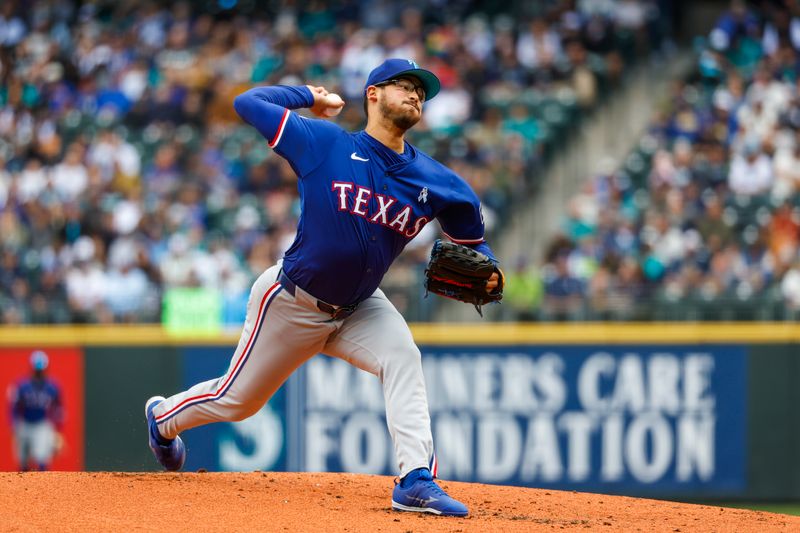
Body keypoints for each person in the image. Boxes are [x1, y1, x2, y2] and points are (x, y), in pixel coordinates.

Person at [144, 58, 502, 517]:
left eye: (421, 90)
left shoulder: (438, 182)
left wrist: (489, 266)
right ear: (373, 94)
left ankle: (415, 479)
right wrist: (309, 96)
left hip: (361, 306)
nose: (415, 94)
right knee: (236, 401)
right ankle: (163, 418)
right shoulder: (324, 142)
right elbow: (248, 102)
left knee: (403, 357)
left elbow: (474, 240)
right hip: (293, 301)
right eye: (404, 85)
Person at [10, 351, 64, 471]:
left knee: (41, 458)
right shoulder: (22, 385)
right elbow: (13, 407)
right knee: (23, 461)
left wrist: (58, 431)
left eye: (41, 369)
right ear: (32, 368)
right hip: (24, 423)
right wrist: (14, 425)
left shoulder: (53, 386)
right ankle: (23, 489)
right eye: (37, 369)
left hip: (41, 424)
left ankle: (43, 488)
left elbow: (59, 409)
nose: (39, 372)